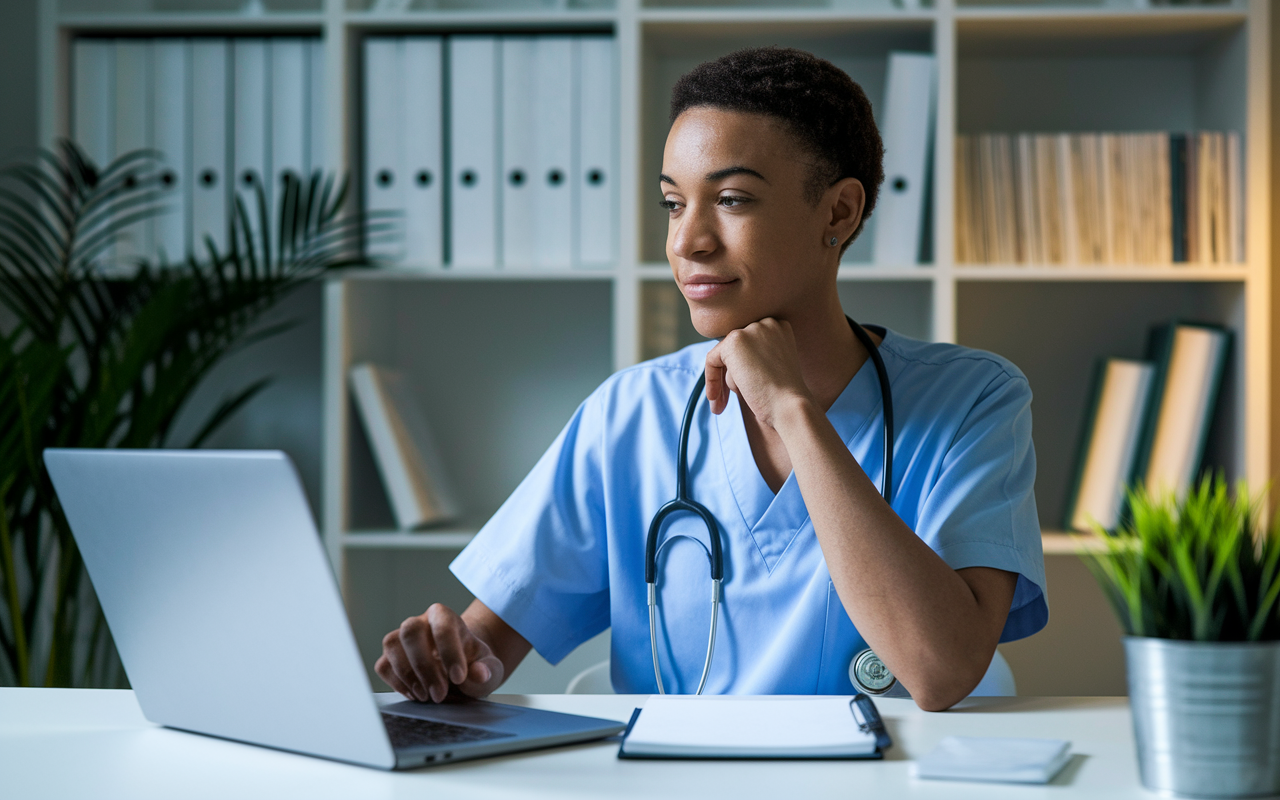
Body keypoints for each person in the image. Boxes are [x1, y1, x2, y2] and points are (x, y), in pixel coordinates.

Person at [376, 47, 1047, 712]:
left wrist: (792, 410)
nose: (687, 241)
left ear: (839, 214)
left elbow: (943, 670)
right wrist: (445, 660)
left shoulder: (973, 398)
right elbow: (483, 652)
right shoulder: (629, 412)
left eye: (731, 199)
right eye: (673, 203)